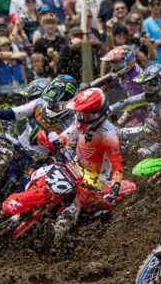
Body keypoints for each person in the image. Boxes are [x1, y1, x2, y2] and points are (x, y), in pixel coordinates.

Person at [45, 88, 125, 230]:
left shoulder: (110, 135)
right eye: (80, 114)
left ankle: (59, 233)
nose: (82, 118)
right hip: (74, 167)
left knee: (72, 208)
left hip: (95, 181)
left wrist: (114, 189)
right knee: (42, 176)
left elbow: (117, 165)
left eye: (86, 115)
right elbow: (66, 136)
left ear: (99, 114)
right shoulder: (80, 121)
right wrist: (55, 142)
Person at [0, 75, 76, 156]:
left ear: (68, 102)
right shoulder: (39, 103)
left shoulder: (72, 122)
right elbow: (15, 112)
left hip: (39, 160)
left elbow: (70, 152)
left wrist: (53, 143)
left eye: (55, 105)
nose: (51, 107)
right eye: (49, 103)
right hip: (18, 146)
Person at [111, 64, 161, 154]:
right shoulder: (150, 94)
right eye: (145, 85)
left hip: (160, 144)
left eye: (150, 86)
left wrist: (149, 151)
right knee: (114, 134)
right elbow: (129, 102)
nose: (146, 89)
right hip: (145, 132)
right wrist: (109, 109)